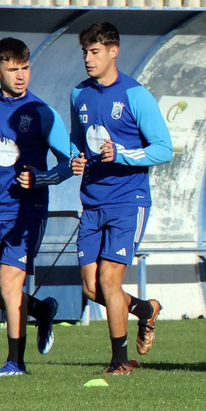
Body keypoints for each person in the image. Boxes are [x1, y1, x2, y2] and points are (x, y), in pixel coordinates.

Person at [0, 37, 81, 376]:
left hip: (28, 213)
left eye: (25, 68)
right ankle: (41, 310)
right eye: (13, 69)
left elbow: (69, 162)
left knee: (10, 285)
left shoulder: (42, 113)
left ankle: (15, 363)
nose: (21, 75)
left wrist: (41, 179)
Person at [68, 22, 173, 374]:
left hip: (129, 201)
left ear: (114, 51)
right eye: (85, 52)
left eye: (94, 51)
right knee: (92, 287)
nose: (88, 58)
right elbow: (75, 140)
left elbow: (163, 149)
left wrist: (123, 154)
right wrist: (75, 157)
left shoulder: (136, 95)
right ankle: (145, 310)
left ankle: (119, 362)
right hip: (92, 203)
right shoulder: (78, 94)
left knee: (110, 282)